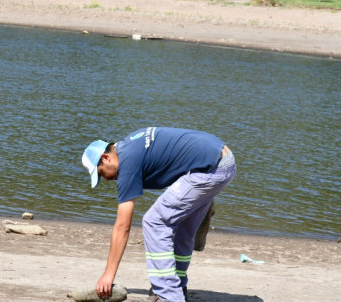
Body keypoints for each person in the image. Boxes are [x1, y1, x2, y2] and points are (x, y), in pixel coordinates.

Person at [81, 127, 236, 302]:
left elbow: (122, 226)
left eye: (102, 173)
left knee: (154, 222)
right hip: (222, 161)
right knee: (182, 226)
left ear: (106, 157)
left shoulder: (127, 162)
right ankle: (178, 284)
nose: (107, 179)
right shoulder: (131, 143)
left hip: (208, 169)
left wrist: (108, 275)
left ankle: (168, 295)